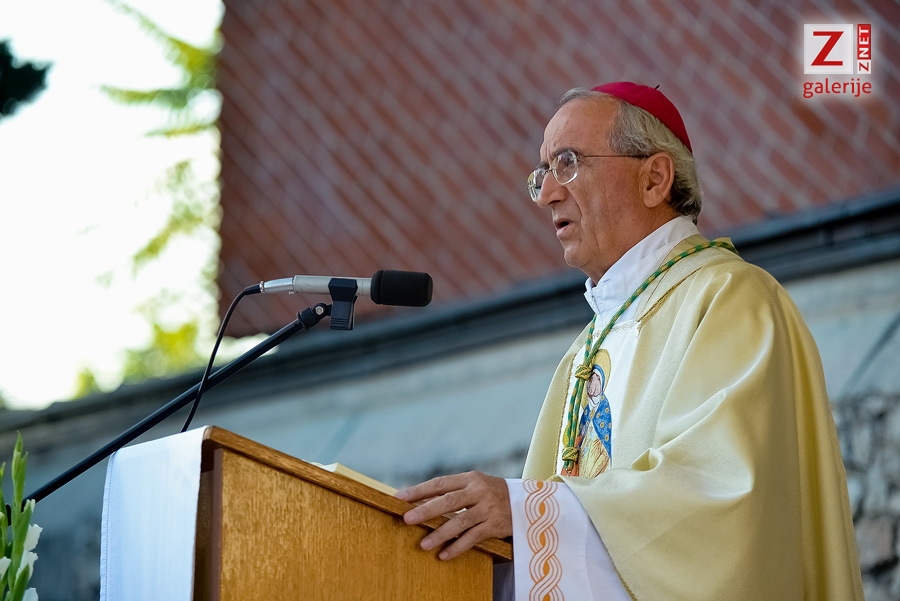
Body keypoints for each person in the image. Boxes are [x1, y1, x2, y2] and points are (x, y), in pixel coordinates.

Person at [396, 82, 864, 600]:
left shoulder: (731, 300)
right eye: (542, 173)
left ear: (654, 179)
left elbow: (722, 506)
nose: (548, 193)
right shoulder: (587, 347)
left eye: (568, 162)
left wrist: (530, 510)